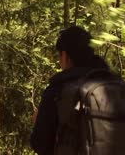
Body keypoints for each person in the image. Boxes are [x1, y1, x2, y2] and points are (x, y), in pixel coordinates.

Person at [29, 26, 111, 154]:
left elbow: (40, 144)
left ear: (65, 55)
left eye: (59, 55)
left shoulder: (58, 91)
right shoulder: (113, 85)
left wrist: (37, 123)